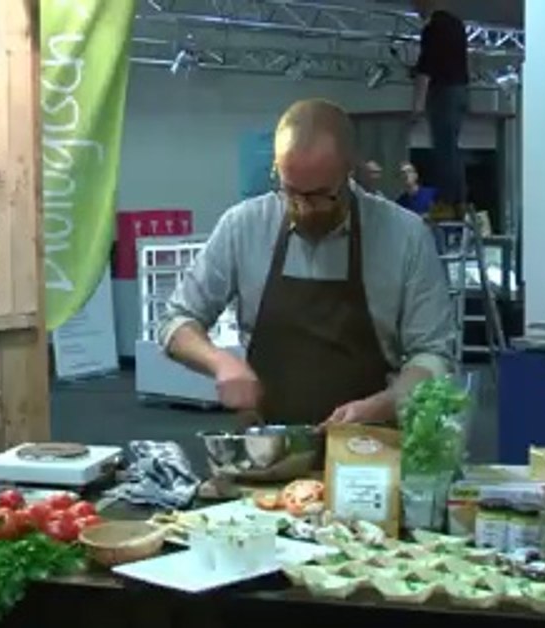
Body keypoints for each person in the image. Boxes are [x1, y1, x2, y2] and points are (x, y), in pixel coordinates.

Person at [158, 99, 457, 428]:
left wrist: (387, 403)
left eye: (318, 196)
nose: (303, 208)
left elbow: (433, 354)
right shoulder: (244, 225)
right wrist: (220, 363)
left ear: (349, 170)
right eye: (290, 192)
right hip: (268, 449)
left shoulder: (404, 236)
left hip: (367, 453)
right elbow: (177, 323)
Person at [409, 0, 468, 218]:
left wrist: (417, 106)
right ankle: (460, 202)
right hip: (461, 92)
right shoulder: (457, 25)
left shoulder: (432, 28)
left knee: (444, 151)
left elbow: (427, 69)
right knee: (452, 149)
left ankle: (446, 203)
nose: (415, 10)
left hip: (443, 93)